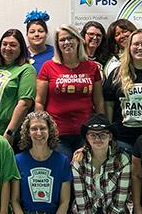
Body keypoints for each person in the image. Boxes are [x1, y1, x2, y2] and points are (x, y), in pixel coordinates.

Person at [11, 111, 72, 214]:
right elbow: (14, 200)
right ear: (28, 132)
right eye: (34, 129)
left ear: (50, 131)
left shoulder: (62, 160)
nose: (39, 133)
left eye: (43, 128)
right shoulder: (18, 160)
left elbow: (65, 201)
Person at [36, 25, 104, 160]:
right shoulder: (48, 67)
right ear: (57, 44)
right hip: (57, 133)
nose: (67, 42)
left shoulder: (92, 67)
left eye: (70, 38)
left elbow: (99, 101)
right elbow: (39, 102)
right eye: (62, 40)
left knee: (84, 173)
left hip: (86, 133)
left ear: (78, 40)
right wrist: (41, 127)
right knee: (64, 172)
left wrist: (102, 128)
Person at [70, 114, 131, 214]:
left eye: (103, 135)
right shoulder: (79, 159)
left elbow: (121, 197)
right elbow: (80, 197)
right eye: (92, 135)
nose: (98, 139)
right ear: (87, 138)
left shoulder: (122, 159)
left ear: (110, 137)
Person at [0, 29, 37, 145]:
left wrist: (9, 132)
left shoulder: (27, 70)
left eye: (13, 45)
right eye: (4, 44)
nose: (7, 48)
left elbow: (24, 104)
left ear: (21, 48)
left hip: (8, 133)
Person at [24, 9, 54, 74]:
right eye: (32, 32)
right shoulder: (21, 53)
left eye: (40, 31)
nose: (36, 34)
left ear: (46, 33)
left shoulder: (55, 53)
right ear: (27, 34)